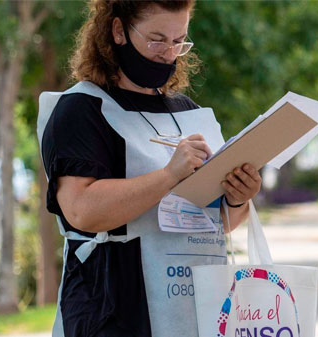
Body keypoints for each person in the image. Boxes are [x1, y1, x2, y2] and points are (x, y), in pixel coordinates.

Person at [39, 1, 262, 336]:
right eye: (157, 40)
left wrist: (237, 199)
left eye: (179, 41)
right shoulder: (82, 109)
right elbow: (81, 210)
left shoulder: (187, 112)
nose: (168, 53)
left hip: (194, 311)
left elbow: (217, 224)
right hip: (112, 312)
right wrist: (169, 176)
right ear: (119, 31)